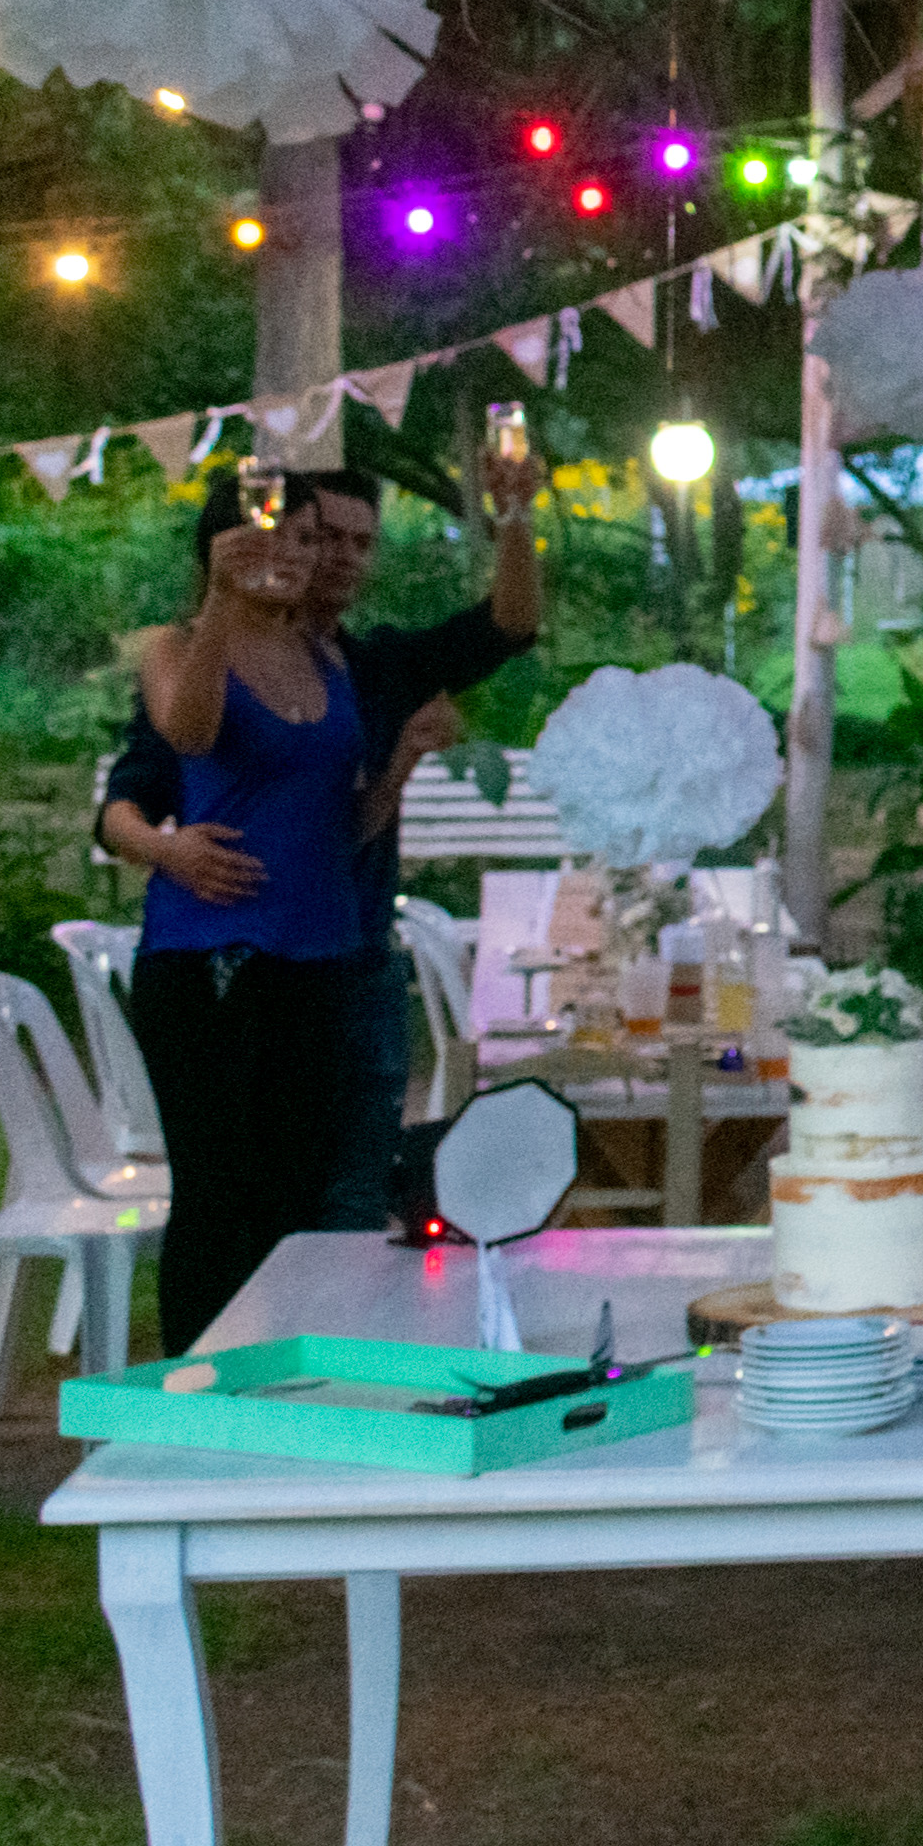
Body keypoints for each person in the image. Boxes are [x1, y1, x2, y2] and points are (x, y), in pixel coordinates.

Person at [98, 450, 546, 1227]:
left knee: (347, 1191)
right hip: (235, 956)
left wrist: (513, 513)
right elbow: (127, 799)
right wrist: (169, 850)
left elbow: (506, 626)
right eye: (316, 536)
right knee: (239, 1200)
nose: (334, 556)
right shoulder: (203, 662)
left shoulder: (363, 666)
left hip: (350, 949)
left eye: (355, 542)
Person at [123, 482, 381, 1353]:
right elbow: (189, 734)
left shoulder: (328, 657)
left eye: (308, 540)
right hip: (213, 950)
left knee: (297, 1190)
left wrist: (404, 766)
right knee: (217, 1190)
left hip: (321, 949)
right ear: (223, 545)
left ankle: (281, 1374)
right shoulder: (177, 646)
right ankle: (198, 1385)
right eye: (275, 536)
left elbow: (341, 819)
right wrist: (221, 605)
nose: (296, 556)